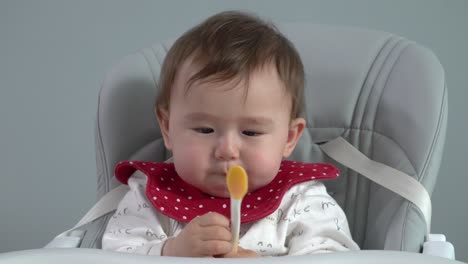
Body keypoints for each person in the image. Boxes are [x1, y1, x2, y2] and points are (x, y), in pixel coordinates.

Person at [102, 10, 359, 258]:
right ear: (168, 128)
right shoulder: (149, 197)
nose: (226, 150)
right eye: (204, 129)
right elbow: (114, 252)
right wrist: (171, 251)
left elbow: (333, 256)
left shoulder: (302, 201)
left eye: (251, 131)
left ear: (290, 138)